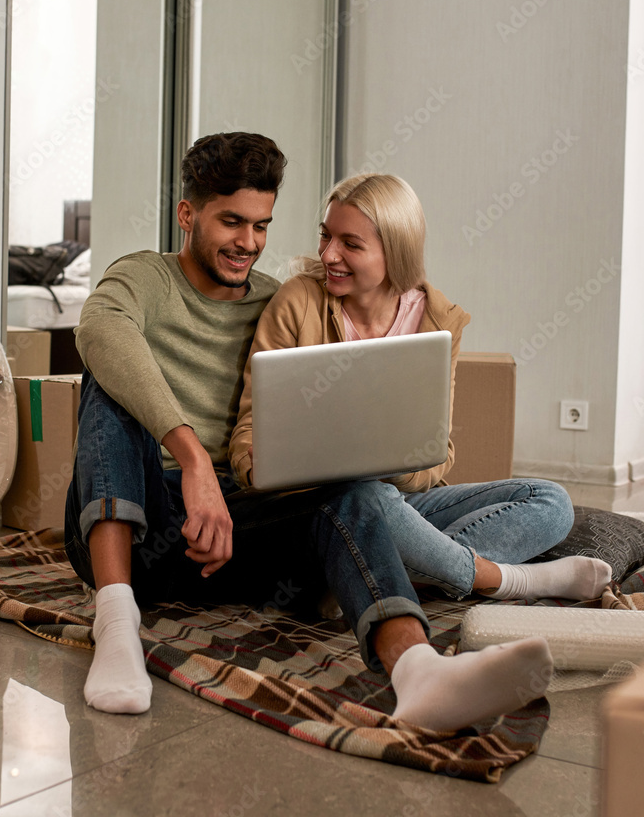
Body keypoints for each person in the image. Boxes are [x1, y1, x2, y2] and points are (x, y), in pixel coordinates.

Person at [65, 134, 553, 733]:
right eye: (232, 222)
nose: (249, 243)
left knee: (357, 496)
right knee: (106, 384)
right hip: (138, 516)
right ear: (187, 215)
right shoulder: (144, 278)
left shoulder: (278, 301)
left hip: (237, 533)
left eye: (262, 225)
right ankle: (115, 623)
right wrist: (191, 458)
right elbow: (101, 329)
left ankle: (418, 672)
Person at [229, 173, 611, 604]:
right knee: (362, 494)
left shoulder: (437, 319)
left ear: (395, 250)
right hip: (324, 507)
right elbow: (249, 429)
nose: (330, 254)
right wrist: (254, 463)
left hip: (405, 505)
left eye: (351, 244)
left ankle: (376, 571)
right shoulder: (297, 302)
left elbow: (436, 454)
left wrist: (384, 459)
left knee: (550, 500)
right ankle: (505, 579)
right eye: (326, 236)